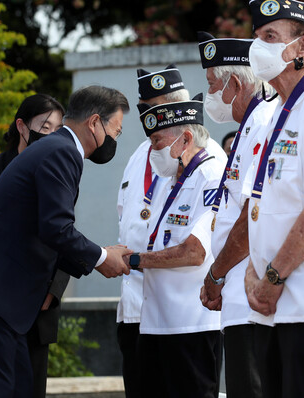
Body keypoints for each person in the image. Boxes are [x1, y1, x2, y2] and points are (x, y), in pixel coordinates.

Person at [0, 85, 133, 397]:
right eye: (116, 131)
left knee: (19, 387)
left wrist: (100, 255)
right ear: (94, 122)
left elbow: (42, 227)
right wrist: (101, 257)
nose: (114, 141)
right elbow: (55, 227)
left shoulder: (56, 149)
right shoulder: (61, 152)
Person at [242, 1, 304, 397]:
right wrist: (254, 270)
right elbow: (263, 206)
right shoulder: (277, 110)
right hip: (272, 303)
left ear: (302, 46)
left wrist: (272, 277)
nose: (256, 47)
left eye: (269, 37)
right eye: (256, 36)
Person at [0, 93, 69, 398]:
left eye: (58, 128)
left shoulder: (61, 170)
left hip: (39, 304)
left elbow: (65, 233)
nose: (52, 135)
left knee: (32, 387)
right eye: (45, 126)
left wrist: (54, 289)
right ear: (22, 126)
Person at [197, 31, 277, 398]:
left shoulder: (262, 124)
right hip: (238, 298)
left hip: (248, 295)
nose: (211, 94)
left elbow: (250, 215)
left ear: (234, 82)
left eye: (214, 85)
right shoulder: (249, 127)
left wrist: (215, 273)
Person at [129, 95, 224, 398]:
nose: (152, 151)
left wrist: (134, 260)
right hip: (157, 323)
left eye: (157, 142)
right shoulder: (174, 180)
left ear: (185, 139)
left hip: (190, 326)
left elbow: (195, 252)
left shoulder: (210, 176)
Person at [116, 64, 190, 398]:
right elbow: (126, 220)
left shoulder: (203, 154)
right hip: (133, 311)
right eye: (144, 109)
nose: (147, 117)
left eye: (155, 108)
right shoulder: (138, 156)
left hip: (178, 315)